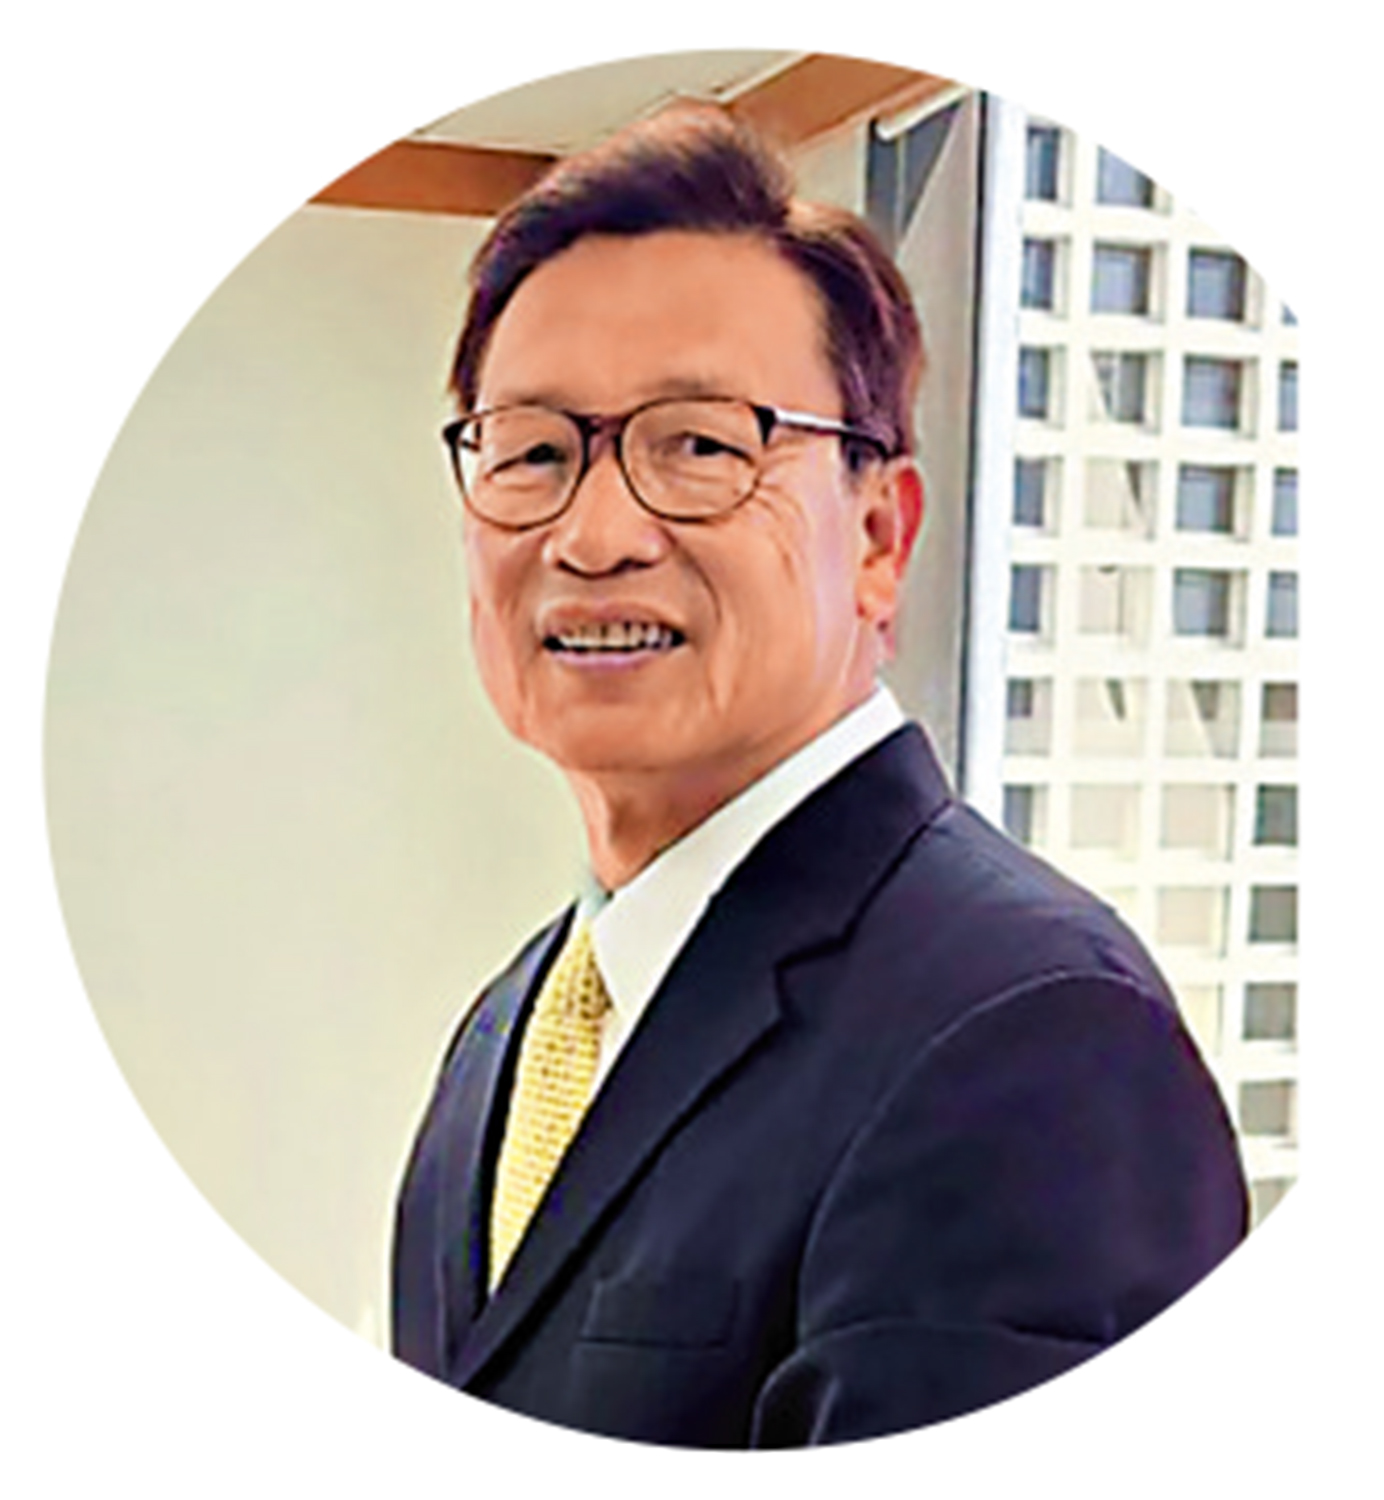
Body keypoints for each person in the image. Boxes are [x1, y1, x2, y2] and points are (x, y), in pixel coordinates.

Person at [391, 101, 1247, 1447]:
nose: (595, 534)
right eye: (535, 452)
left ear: (881, 537)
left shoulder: (1032, 1034)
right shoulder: (512, 1030)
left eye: (701, 445)